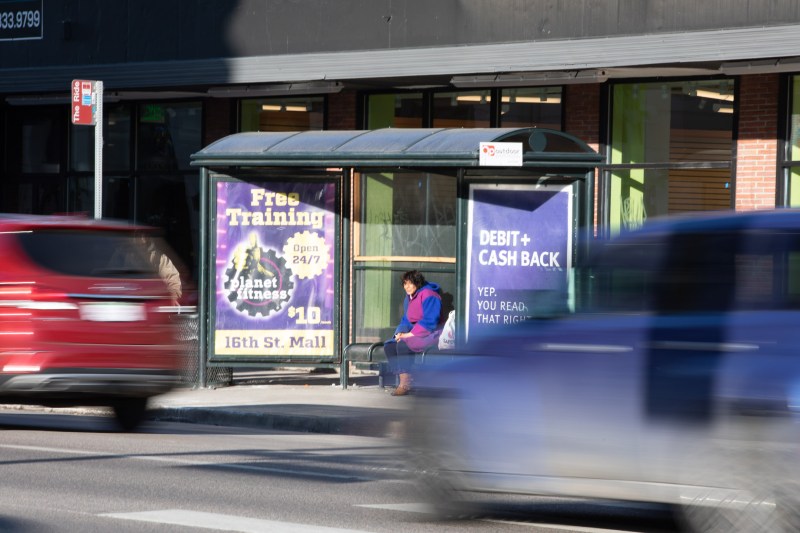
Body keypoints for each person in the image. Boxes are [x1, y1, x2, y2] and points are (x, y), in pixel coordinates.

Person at [383, 270, 443, 396]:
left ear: (418, 283)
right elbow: (406, 319)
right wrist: (399, 333)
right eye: (405, 284)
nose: (407, 287)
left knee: (404, 344)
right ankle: (406, 379)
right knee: (389, 346)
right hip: (413, 333)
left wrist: (408, 335)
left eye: (410, 283)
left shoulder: (429, 294)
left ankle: (404, 384)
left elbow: (431, 321)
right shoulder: (409, 297)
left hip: (430, 333)